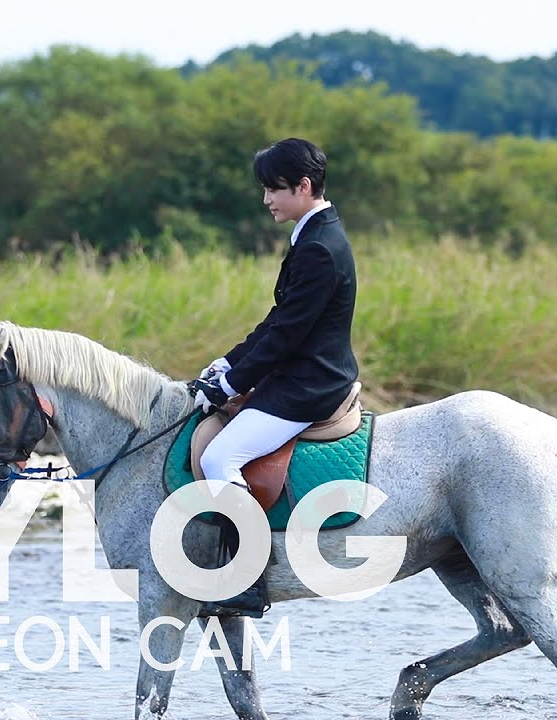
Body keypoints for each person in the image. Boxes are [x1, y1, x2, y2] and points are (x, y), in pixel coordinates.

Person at [186, 137, 359, 618]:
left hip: (311, 384)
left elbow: (287, 335)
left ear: (303, 186)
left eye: (274, 189)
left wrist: (229, 386)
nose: (266, 200)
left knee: (219, 457)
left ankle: (247, 579)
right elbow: (277, 319)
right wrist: (227, 365)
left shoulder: (319, 247)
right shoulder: (313, 233)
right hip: (297, 373)